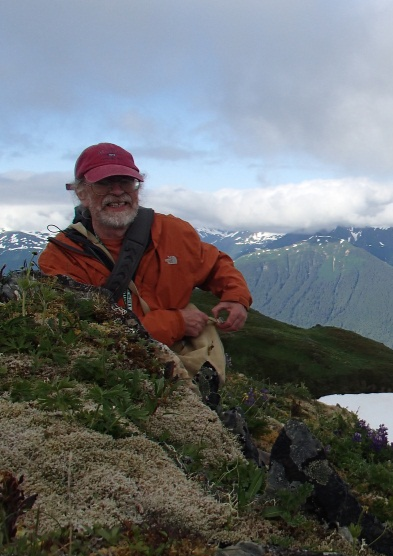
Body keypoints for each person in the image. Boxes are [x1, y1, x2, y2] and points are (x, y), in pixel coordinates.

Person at [39, 142, 252, 387]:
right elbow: (86, 333)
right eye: (104, 183)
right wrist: (176, 323)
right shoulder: (63, 256)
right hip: (111, 372)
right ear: (82, 193)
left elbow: (214, 264)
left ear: (137, 188)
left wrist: (236, 297)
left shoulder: (173, 232)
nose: (118, 191)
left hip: (185, 357)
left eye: (126, 182)